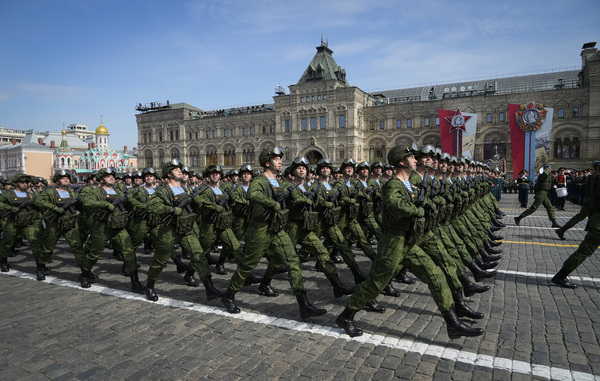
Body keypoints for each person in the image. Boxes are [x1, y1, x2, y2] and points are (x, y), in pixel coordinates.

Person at [335, 145, 483, 339]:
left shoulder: (409, 184)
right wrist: (416, 210)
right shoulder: (394, 184)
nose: (415, 160)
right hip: (393, 242)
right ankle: (346, 316)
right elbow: (394, 204)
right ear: (402, 162)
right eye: (412, 157)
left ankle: (452, 322)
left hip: (409, 240)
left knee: (435, 275)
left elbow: (417, 201)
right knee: (376, 283)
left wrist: (426, 205)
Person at [221, 146, 326, 319]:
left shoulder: (279, 181)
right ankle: (228, 295)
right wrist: (271, 204)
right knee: (248, 265)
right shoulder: (260, 180)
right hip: (260, 229)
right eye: (277, 159)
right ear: (268, 162)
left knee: (293, 261)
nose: (280, 162)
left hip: (277, 229)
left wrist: (304, 197)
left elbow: (291, 192)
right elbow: (252, 195)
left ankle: (304, 304)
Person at [144, 159, 223, 301]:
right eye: (175, 169)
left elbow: (196, 205)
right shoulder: (163, 190)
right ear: (168, 174)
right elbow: (151, 207)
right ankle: (149, 286)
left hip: (187, 229)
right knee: (160, 261)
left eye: (180, 169)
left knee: (199, 256)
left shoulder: (186, 189)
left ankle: (209, 288)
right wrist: (172, 209)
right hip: (170, 230)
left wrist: (197, 204)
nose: (180, 171)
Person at [78, 168, 144, 293]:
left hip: (119, 227)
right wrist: (105, 204)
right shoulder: (97, 191)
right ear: (102, 179)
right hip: (103, 227)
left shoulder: (118, 191)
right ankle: (85, 274)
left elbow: (129, 202)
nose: (112, 178)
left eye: (112, 176)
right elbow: (86, 202)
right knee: (94, 253)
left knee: (129, 252)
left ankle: (135, 282)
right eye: (108, 176)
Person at [551, 160, 600, 288]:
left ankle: (560, 276)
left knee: (583, 251)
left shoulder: (594, 177)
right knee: (584, 251)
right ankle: (560, 276)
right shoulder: (595, 178)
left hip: (595, 216)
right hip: (597, 222)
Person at [32, 170, 85, 280]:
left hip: (70, 223)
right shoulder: (50, 192)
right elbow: (38, 201)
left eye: (67, 178)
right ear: (57, 181)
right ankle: (41, 268)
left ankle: (85, 271)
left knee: (78, 247)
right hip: (55, 224)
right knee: (48, 247)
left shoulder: (72, 192)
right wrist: (55, 208)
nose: (66, 179)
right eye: (63, 178)